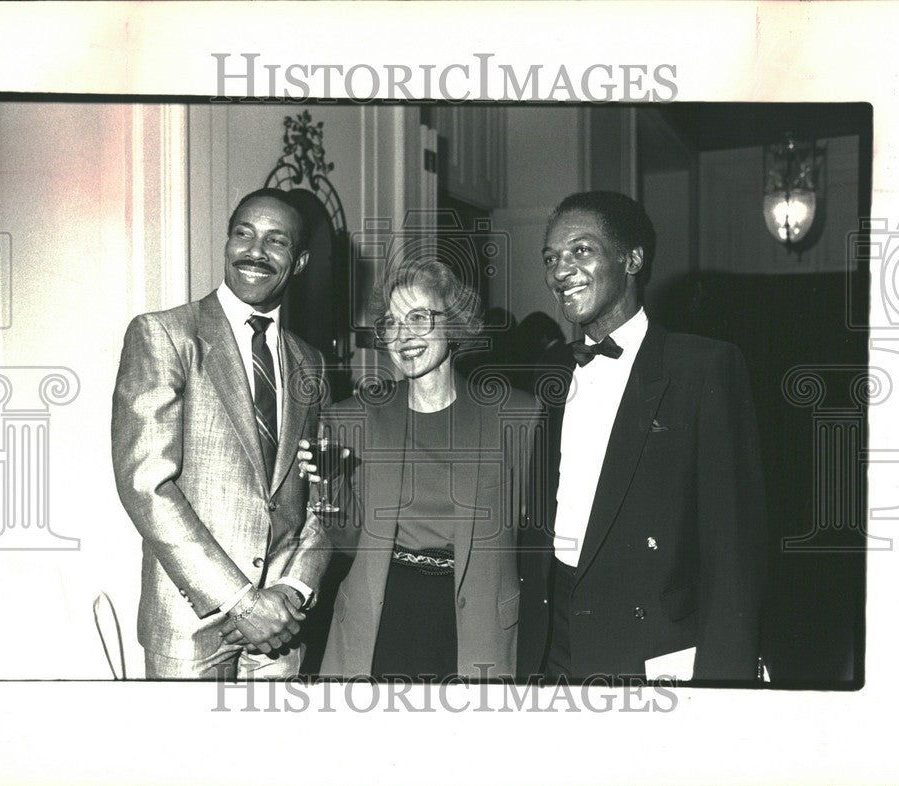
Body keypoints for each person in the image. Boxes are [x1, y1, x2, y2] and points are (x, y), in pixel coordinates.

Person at [517, 191, 767, 683]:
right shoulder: (546, 373)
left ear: (632, 259)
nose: (559, 271)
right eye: (550, 258)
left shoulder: (703, 368)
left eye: (581, 251)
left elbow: (734, 552)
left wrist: (723, 685)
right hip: (551, 643)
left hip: (650, 649)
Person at [112, 187, 330, 679]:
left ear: (298, 262)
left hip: (282, 626)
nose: (255, 251)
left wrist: (293, 591)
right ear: (228, 243)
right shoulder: (165, 335)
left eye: (277, 241)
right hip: (192, 622)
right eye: (243, 234)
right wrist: (241, 601)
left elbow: (327, 494)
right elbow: (146, 485)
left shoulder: (311, 363)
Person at [305, 258, 540, 680]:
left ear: (452, 324)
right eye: (392, 323)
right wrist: (328, 483)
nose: (403, 336)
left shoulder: (518, 416)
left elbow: (538, 537)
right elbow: (349, 542)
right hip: (378, 622)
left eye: (418, 317)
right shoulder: (351, 418)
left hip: (478, 629)